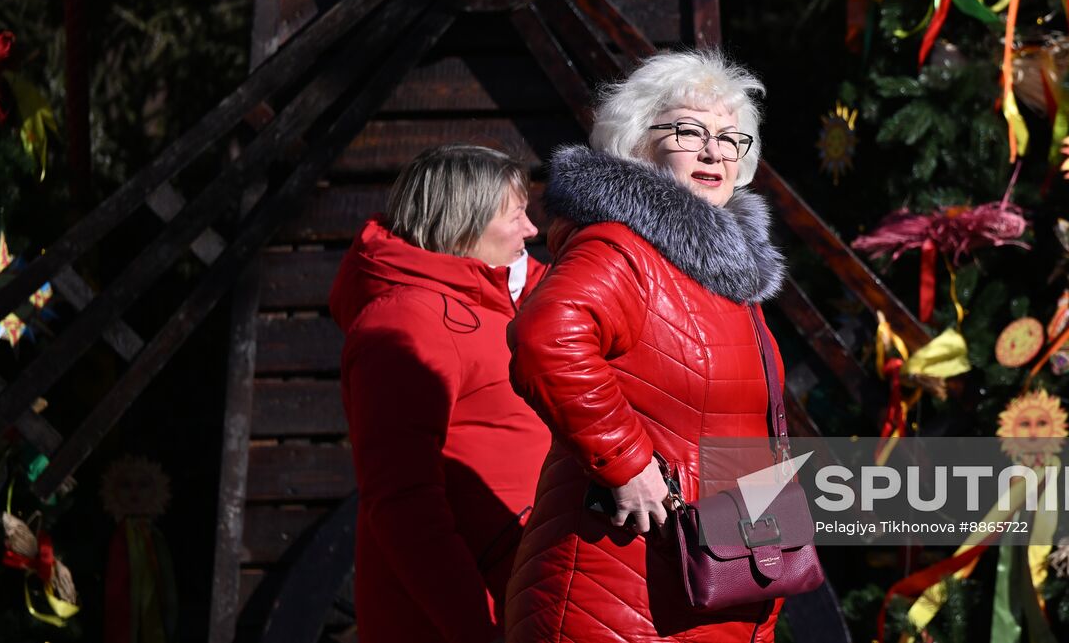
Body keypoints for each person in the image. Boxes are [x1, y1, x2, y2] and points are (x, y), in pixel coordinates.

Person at [503, 50, 789, 643]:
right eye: (689, 132)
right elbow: (546, 339)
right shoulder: (620, 248)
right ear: (636, 142)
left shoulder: (722, 275)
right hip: (622, 585)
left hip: (711, 576)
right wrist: (626, 461)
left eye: (730, 138)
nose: (713, 152)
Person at [328, 144, 548, 643]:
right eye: (515, 215)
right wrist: (479, 628)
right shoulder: (405, 322)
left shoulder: (500, 301)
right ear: (463, 223)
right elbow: (403, 503)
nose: (532, 230)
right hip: (460, 617)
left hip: (519, 596)